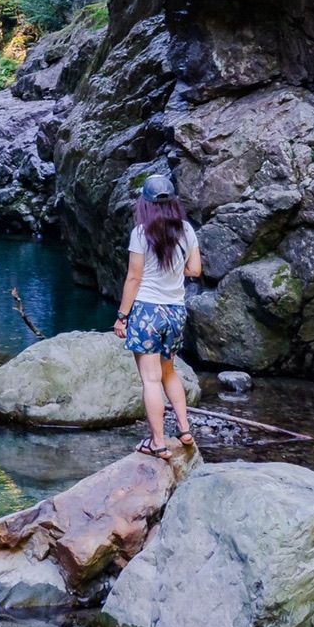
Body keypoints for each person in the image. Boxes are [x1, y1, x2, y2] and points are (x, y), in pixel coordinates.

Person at [113, 173, 201, 459]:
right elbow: (196, 270)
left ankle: (158, 443)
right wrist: (174, 272)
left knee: (150, 380)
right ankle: (185, 430)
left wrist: (122, 316)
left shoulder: (140, 233)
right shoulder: (186, 230)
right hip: (176, 312)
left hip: (148, 312)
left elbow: (133, 279)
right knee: (169, 372)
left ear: (145, 202)